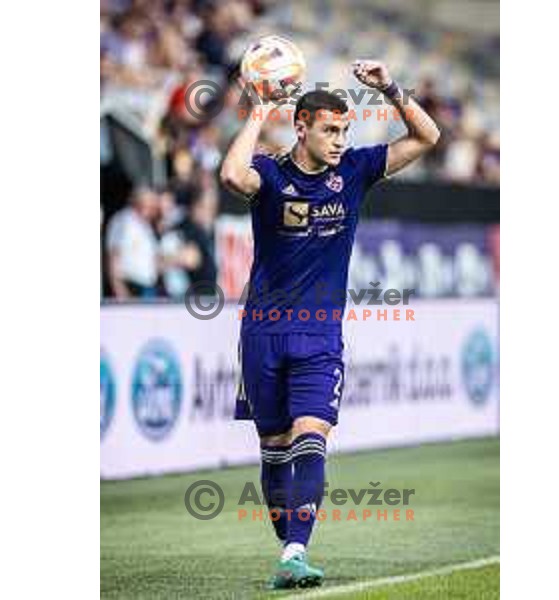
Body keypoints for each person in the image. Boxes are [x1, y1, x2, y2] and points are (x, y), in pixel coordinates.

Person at [220, 60, 440, 589]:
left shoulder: (357, 171)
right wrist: (259, 110)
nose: (341, 140)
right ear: (302, 128)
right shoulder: (271, 173)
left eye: (345, 130)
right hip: (263, 337)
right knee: (274, 455)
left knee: (312, 438)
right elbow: (231, 175)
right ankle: (288, 532)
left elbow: (428, 135)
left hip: (320, 337)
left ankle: (296, 551)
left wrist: (388, 87)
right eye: (330, 130)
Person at [105, 186, 160, 299]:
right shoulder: (124, 221)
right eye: (150, 201)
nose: (153, 206)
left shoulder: (144, 224)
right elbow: (114, 255)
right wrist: (119, 289)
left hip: (146, 285)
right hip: (130, 285)